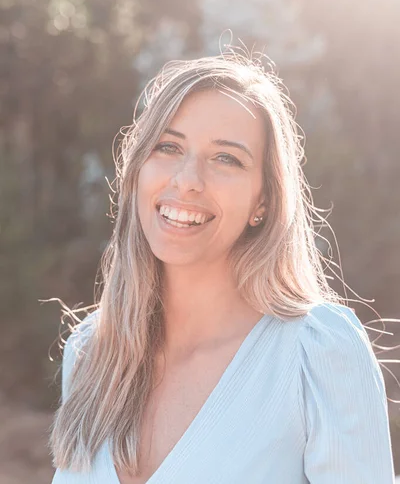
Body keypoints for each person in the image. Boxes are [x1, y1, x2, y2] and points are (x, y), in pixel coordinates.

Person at [50, 53, 395, 483]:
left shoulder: (316, 352)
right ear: (138, 167)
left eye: (226, 159)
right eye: (168, 146)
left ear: (263, 201)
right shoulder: (91, 352)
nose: (187, 179)